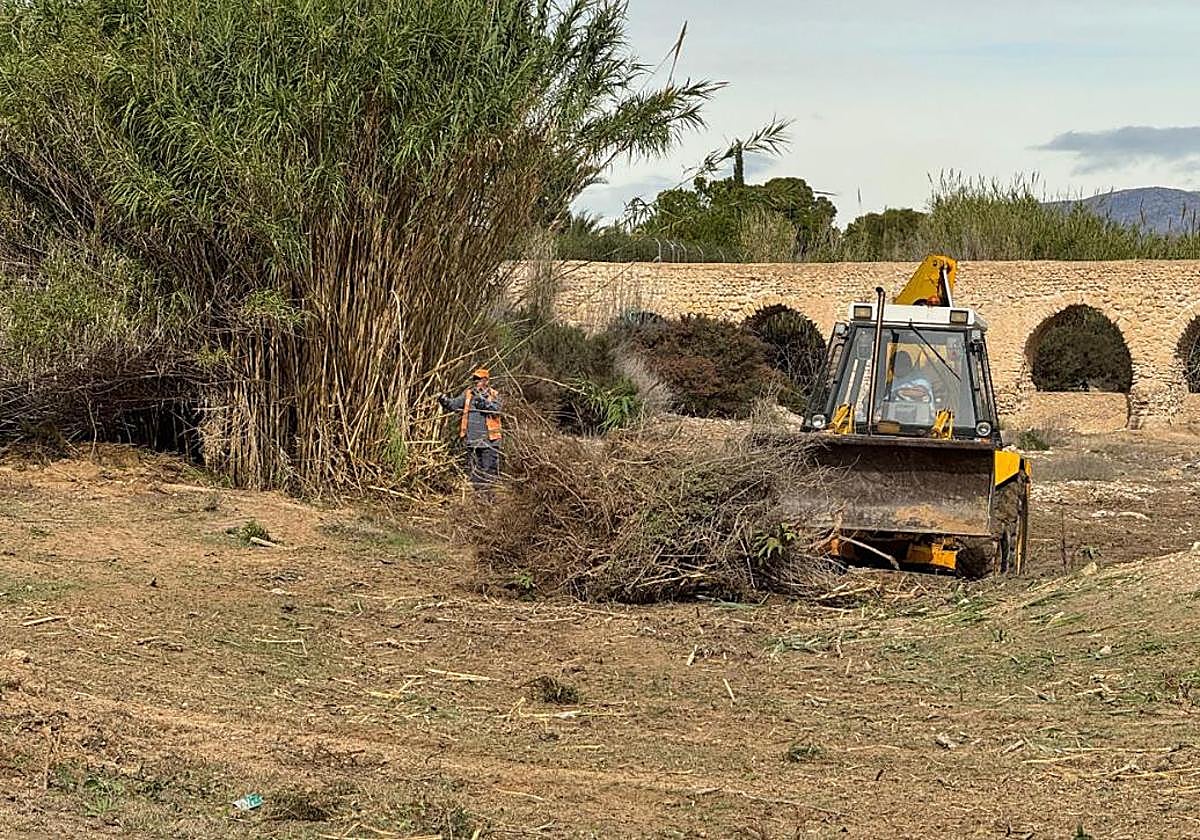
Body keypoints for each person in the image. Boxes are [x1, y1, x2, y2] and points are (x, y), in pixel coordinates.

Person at [438, 368, 502, 489]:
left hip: (490, 442)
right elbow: (453, 405)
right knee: (475, 475)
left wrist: (483, 403)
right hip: (472, 442)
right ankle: (478, 503)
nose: (476, 382)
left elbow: (497, 410)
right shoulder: (468, 394)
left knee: (489, 475)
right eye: (475, 379)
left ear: (486, 381)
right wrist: (444, 400)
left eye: (479, 379)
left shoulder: (494, 395)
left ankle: (489, 502)